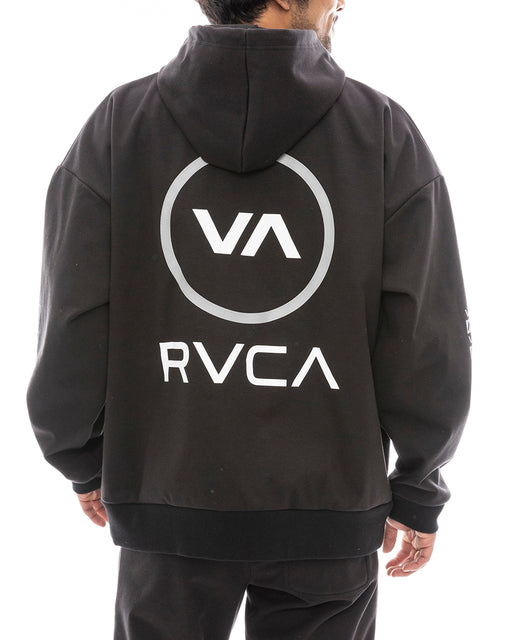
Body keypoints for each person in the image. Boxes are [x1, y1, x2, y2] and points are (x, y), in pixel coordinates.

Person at [26, 1, 472, 638]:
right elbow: (426, 334)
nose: (344, 1)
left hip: (167, 505)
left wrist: (80, 454)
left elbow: (70, 314)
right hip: (329, 513)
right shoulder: (380, 132)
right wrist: (419, 484)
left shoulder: (121, 125)